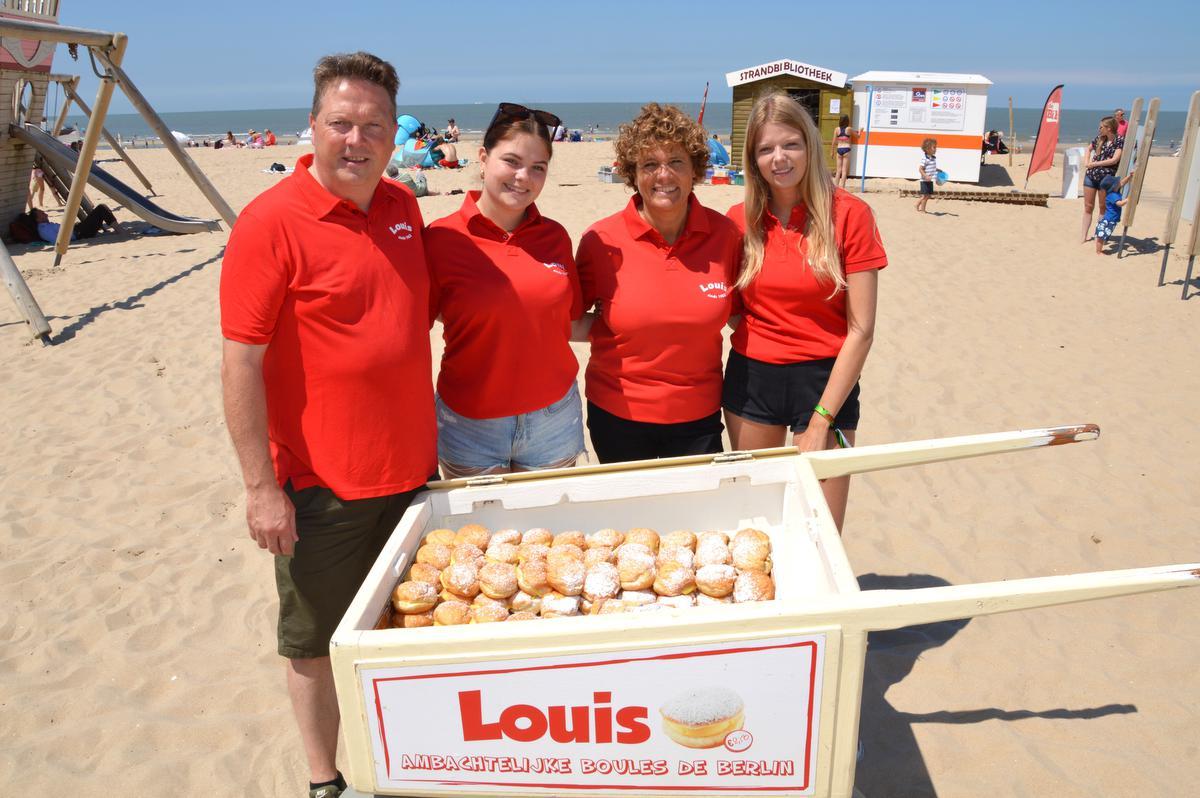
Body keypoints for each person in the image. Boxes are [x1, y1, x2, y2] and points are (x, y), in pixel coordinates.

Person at [219, 52, 436, 798]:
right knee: (313, 643)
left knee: (404, 632)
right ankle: (324, 780)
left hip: (415, 476)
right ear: (311, 126)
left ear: (392, 134)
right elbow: (240, 363)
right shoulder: (269, 222)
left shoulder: (404, 206)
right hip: (322, 488)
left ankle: (411, 762)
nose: (356, 139)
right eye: (340, 123)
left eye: (373, 125)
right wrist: (260, 489)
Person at [723, 92, 887, 530]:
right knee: (753, 526)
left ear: (811, 145)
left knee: (820, 529)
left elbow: (862, 329)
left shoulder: (850, 215)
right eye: (765, 148)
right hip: (751, 378)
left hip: (826, 382)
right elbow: (733, 310)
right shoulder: (740, 220)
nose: (779, 158)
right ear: (753, 158)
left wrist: (820, 420)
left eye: (790, 144)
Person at [425, 102, 584, 478]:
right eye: (511, 161)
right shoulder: (441, 238)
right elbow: (412, 329)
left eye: (538, 168)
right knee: (477, 536)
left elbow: (572, 322)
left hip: (553, 417)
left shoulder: (556, 236)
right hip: (470, 422)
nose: (523, 177)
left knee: (552, 535)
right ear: (483, 158)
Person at [575, 102, 741, 463]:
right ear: (633, 173)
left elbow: (743, 316)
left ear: (695, 170)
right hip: (618, 414)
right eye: (649, 164)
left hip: (699, 417)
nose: (663, 175)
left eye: (676, 162)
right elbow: (570, 320)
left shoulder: (726, 236)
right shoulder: (600, 241)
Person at [1081, 116, 1124, 242]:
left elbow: (1114, 160)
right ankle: (1083, 236)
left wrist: (1094, 164)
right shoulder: (1099, 139)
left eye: (1101, 127)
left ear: (1109, 128)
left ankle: (1097, 236)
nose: (1099, 129)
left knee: (1102, 207)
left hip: (1105, 179)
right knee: (1088, 207)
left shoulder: (1119, 140)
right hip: (1091, 176)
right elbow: (1088, 149)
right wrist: (1087, 162)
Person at [1094, 172, 1134, 255]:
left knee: (1104, 235)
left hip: (1111, 219)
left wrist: (1129, 177)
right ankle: (1098, 251)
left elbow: (1122, 183)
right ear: (1113, 187)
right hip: (1108, 220)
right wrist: (1128, 199)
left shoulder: (1114, 192)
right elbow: (1120, 203)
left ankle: (1099, 249)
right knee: (1101, 236)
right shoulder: (1112, 195)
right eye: (1117, 183)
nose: (1119, 183)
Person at [33, 204, 117, 242]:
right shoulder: (44, 229)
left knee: (98, 213)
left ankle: (115, 229)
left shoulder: (45, 226)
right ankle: (119, 230)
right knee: (101, 208)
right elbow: (57, 240)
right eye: (41, 213)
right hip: (79, 233)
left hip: (77, 229)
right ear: (38, 219)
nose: (44, 213)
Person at [916, 138, 937, 213]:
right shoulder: (925, 159)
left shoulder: (933, 158)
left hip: (929, 180)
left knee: (928, 196)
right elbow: (920, 169)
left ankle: (917, 204)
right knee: (925, 196)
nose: (936, 149)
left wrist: (937, 170)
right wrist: (925, 176)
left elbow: (932, 167)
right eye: (934, 147)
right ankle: (923, 210)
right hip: (924, 180)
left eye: (935, 147)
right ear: (927, 149)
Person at [832, 114, 853, 189]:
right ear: (847, 121)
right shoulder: (849, 129)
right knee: (844, 171)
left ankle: (835, 187)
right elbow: (858, 136)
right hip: (846, 149)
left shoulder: (837, 129)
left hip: (839, 149)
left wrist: (832, 152)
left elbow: (834, 141)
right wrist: (860, 130)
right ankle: (842, 187)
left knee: (838, 171)